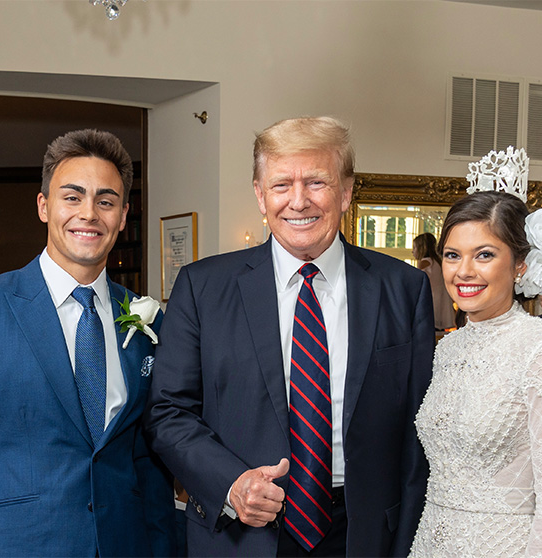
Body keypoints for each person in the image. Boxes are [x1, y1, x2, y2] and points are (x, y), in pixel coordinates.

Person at [144, 117, 435, 557]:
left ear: (346, 191)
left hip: (365, 535)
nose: (298, 202)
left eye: (317, 181)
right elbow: (167, 411)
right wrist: (231, 482)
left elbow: (420, 434)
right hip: (241, 533)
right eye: (281, 185)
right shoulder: (203, 288)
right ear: (261, 196)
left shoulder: (402, 289)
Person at [0, 128, 175, 557]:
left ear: (123, 213)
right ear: (44, 206)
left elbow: (150, 464)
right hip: (19, 544)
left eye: (106, 201)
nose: (89, 213)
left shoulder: (146, 318)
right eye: (72, 197)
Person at [410, 190, 542, 556]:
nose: (464, 271)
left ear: (520, 265)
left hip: (503, 545)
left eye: (485, 255)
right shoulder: (447, 349)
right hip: (432, 540)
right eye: (452, 255)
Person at [413, 232, 455, 331]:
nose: (412, 251)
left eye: (414, 248)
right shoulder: (438, 261)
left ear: (421, 248)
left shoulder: (424, 262)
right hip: (441, 299)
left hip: (431, 300)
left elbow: (416, 283)